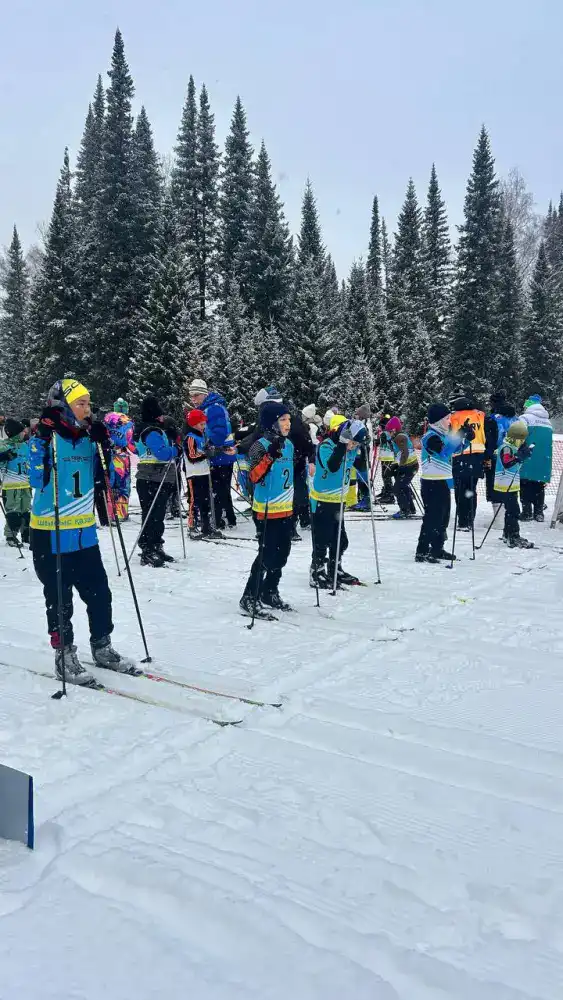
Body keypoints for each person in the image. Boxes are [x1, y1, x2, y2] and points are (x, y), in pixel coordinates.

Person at [29, 378, 134, 685]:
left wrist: (106, 443)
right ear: (63, 406)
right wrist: (41, 439)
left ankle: (102, 646)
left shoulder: (90, 439)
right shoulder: (48, 438)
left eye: (89, 403)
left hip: (84, 532)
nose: (88, 409)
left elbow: (110, 474)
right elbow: (36, 478)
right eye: (80, 404)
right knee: (59, 600)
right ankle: (64, 656)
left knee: (100, 593)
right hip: (51, 532)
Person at [240, 401, 295, 617]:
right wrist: (269, 457)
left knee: (282, 554)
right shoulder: (259, 445)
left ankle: (269, 590)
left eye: (289, 419)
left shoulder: (289, 445)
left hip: (286, 508)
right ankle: (249, 596)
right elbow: (253, 477)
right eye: (283, 420)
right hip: (266, 510)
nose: (288, 424)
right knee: (267, 554)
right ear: (272, 423)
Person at [309, 414, 368, 589]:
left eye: (356, 444)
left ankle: (335, 569)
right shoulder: (325, 446)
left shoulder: (350, 449)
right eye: (353, 442)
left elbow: (360, 465)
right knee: (322, 539)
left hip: (339, 500)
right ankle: (317, 571)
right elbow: (333, 466)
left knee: (340, 540)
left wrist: (363, 449)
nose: (353, 446)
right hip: (322, 501)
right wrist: (343, 445)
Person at [415, 403, 466, 564]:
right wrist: (459, 435)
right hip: (431, 483)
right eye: (447, 418)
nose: (449, 421)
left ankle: (437, 548)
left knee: (443, 518)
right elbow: (444, 452)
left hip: (443, 481)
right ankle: (422, 550)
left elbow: (455, 450)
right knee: (432, 518)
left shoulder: (443, 435)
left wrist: (466, 439)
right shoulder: (430, 437)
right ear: (438, 420)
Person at [135, 395, 179, 567]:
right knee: (152, 516)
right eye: (160, 415)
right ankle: (148, 548)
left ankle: (156, 545)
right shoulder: (151, 431)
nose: (162, 418)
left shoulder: (153, 430)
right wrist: (176, 449)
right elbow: (163, 454)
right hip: (151, 478)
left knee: (157, 516)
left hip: (156, 477)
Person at [188, 378, 238, 529]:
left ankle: (217, 519)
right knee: (222, 488)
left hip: (221, 454)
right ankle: (228, 518)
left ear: (204, 394)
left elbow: (219, 432)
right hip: (221, 454)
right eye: (191, 395)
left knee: (218, 489)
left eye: (196, 395)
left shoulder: (213, 408)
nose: (193, 399)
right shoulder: (208, 408)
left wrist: (209, 445)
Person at [494, 420, 534, 548]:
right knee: (514, 510)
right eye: (521, 440)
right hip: (505, 484)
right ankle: (513, 536)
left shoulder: (513, 447)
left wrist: (524, 454)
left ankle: (507, 534)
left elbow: (516, 461)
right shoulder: (506, 448)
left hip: (511, 484)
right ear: (514, 437)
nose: (522, 442)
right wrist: (518, 457)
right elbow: (507, 463)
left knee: (510, 510)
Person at [449, 394, 486, 531]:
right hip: (478, 455)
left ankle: (463, 520)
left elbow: (451, 437)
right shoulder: (480, 415)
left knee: (460, 490)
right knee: (471, 489)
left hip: (460, 455)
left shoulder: (454, 417)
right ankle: (470, 519)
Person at [184, 408, 222, 539]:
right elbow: (192, 456)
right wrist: (206, 454)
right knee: (194, 500)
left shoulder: (203, 436)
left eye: (204, 424)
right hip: (194, 474)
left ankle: (206, 526)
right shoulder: (190, 437)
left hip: (205, 472)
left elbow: (206, 448)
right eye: (201, 424)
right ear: (194, 424)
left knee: (206, 500)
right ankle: (192, 526)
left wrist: (214, 450)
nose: (203, 426)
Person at [518, 395, 553, 522]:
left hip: (528, 456)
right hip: (544, 459)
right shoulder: (548, 422)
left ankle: (527, 512)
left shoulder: (525, 418)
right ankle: (539, 513)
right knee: (539, 486)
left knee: (524, 484)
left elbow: (518, 437)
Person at [0, 419, 31, 546]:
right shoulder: (4, 445)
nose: (25, 433)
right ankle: (11, 536)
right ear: (15, 433)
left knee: (26, 512)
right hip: (11, 486)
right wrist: (4, 456)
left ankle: (27, 535)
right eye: (22, 432)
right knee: (14, 513)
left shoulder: (25, 446)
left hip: (25, 485)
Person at [104, 405, 136, 521]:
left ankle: (110, 513)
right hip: (122, 458)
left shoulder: (107, 420)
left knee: (110, 485)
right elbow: (132, 446)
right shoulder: (128, 423)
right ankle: (121, 513)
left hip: (108, 455)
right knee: (123, 485)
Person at [484, 390, 516, 505]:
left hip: (495, 457)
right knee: (511, 488)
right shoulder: (515, 418)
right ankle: (510, 510)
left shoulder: (492, 419)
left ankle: (499, 511)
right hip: (512, 456)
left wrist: (486, 456)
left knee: (494, 488)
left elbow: (490, 440)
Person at [384, 416, 418, 518]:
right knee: (403, 486)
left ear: (394, 430)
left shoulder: (400, 437)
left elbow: (405, 453)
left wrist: (400, 467)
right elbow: (399, 454)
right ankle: (410, 509)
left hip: (409, 466)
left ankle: (404, 510)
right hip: (410, 466)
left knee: (397, 488)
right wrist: (395, 465)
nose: (388, 433)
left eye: (389, 431)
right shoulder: (398, 437)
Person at [374, 413, 397, 504]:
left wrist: (374, 441)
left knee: (386, 476)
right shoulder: (389, 433)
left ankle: (389, 495)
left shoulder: (385, 433)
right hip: (387, 457)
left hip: (387, 458)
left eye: (380, 425)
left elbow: (378, 442)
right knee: (386, 476)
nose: (379, 427)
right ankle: (386, 492)